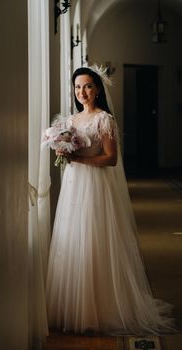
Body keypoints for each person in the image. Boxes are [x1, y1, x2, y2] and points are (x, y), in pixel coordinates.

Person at [46, 65, 175, 336]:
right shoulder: (70, 121)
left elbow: (111, 158)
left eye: (88, 86)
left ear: (98, 90)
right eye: (78, 87)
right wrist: (61, 149)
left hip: (95, 187)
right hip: (73, 185)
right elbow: (66, 150)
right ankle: (72, 307)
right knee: (72, 240)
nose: (82, 92)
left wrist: (78, 158)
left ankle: (97, 309)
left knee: (94, 239)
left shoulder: (104, 120)